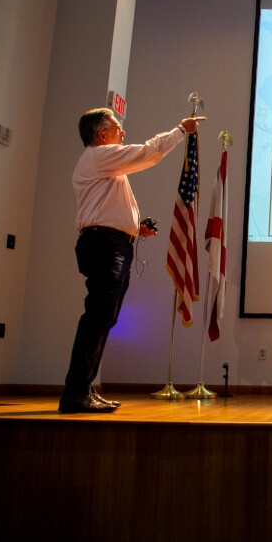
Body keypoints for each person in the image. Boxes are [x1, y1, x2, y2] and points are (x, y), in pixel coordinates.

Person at [58, 107, 205, 414]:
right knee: (98, 318)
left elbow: (104, 208)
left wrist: (136, 229)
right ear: (102, 135)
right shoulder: (100, 156)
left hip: (110, 243)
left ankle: (84, 390)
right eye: (116, 128)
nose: (122, 133)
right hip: (104, 245)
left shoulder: (104, 165)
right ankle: (75, 394)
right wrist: (181, 130)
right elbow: (148, 153)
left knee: (103, 319)